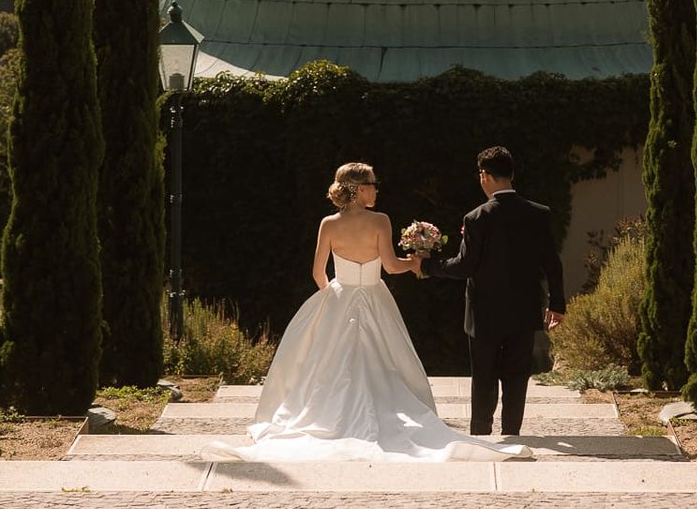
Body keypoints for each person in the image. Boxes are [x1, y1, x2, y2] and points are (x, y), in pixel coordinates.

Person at [203, 162, 530, 462]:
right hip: (375, 297)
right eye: (373, 185)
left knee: (326, 365)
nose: (377, 190)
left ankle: (330, 417)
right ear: (359, 189)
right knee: (388, 360)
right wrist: (417, 262)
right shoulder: (380, 221)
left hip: (338, 296)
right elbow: (390, 265)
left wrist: (331, 299)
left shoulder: (328, 224)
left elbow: (317, 272)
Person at [422, 146, 566, 439]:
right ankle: (512, 434)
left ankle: (481, 436)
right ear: (511, 173)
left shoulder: (477, 218)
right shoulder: (538, 214)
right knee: (517, 377)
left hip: (484, 312)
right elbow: (552, 263)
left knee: (484, 377)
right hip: (524, 309)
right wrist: (557, 304)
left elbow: (465, 266)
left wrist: (427, 266)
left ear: (484, 175)